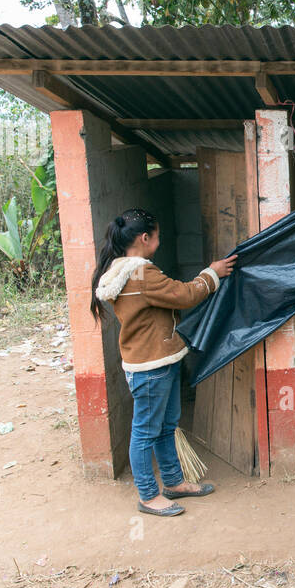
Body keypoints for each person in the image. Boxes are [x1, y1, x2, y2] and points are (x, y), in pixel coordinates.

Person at [89, 208, 238, 517]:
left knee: (166, 426)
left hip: (158, 359)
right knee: (145, 431)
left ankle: (173, 481)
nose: (158, 242)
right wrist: (212, 273)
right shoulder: (141, 273)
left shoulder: (125, 270)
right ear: (145, 238)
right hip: (151, 366)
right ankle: (148, 495)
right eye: (156, 236)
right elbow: (183, 295)